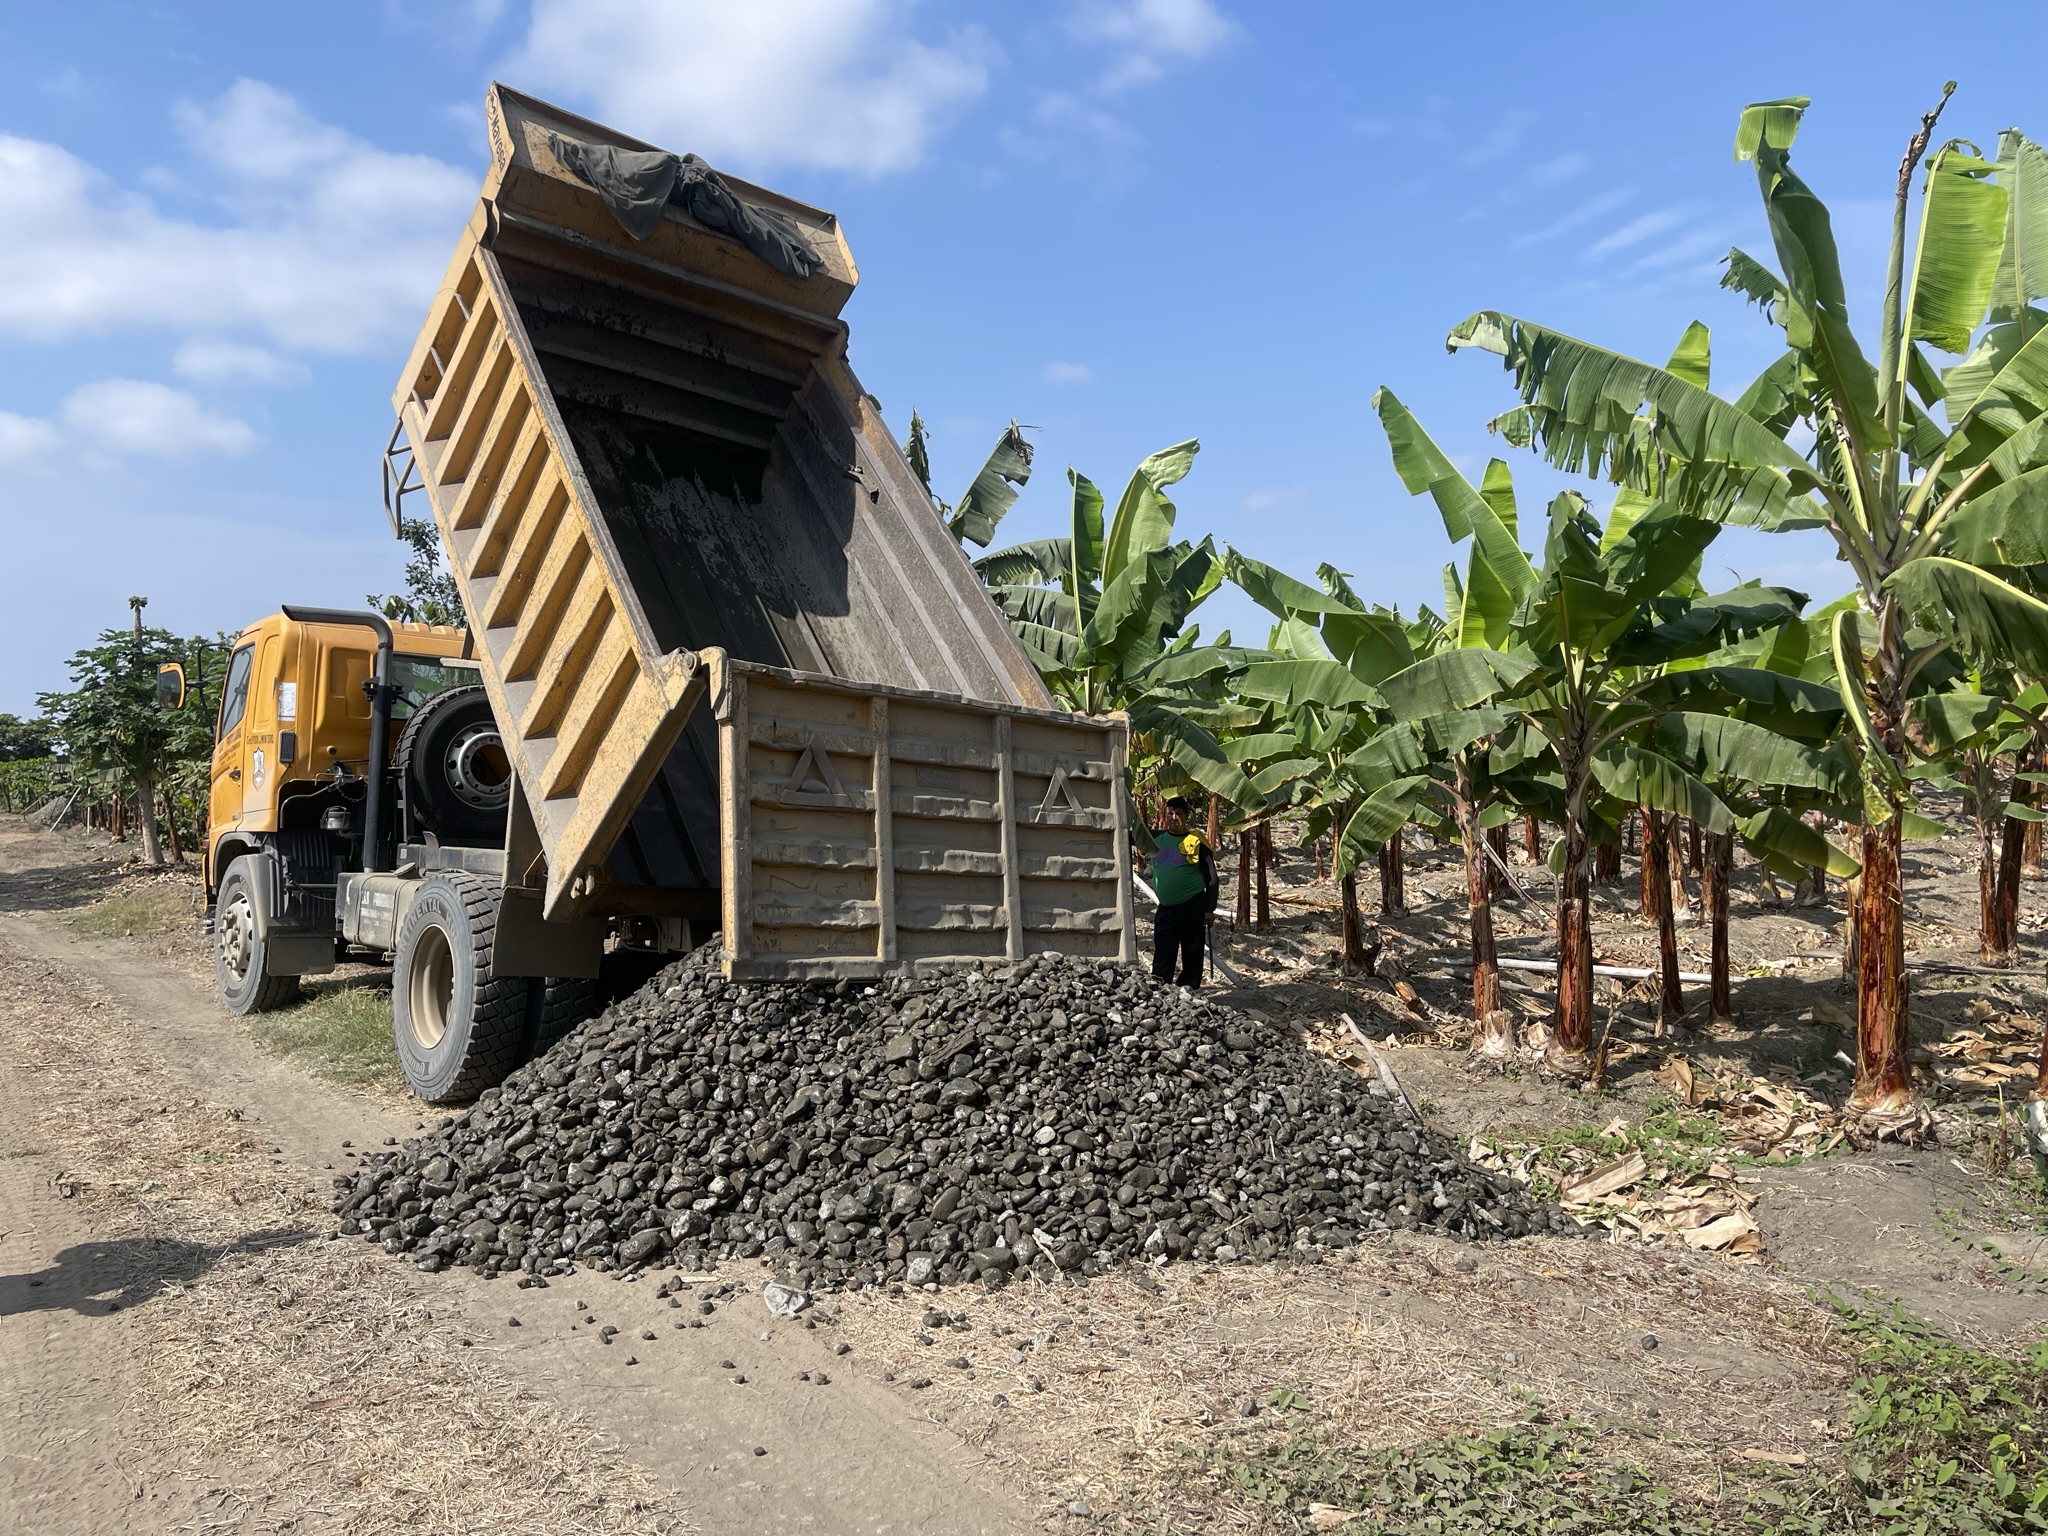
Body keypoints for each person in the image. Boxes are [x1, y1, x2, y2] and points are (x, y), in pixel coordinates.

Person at [1146, 796, 1217, 986]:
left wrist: (1209, 909)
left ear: (1186, 816)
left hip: (1192, 905)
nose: (1174, 818)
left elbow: (1211, 878)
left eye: (1178, 813)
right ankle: (1160, 987)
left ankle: (1189, 989)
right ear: (1165, 816)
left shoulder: (1196, 842)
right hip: (1166, 908)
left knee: (1192, 951)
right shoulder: (1155, 838)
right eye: (1170, 814)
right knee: (1163, 950)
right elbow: (1131, 835)